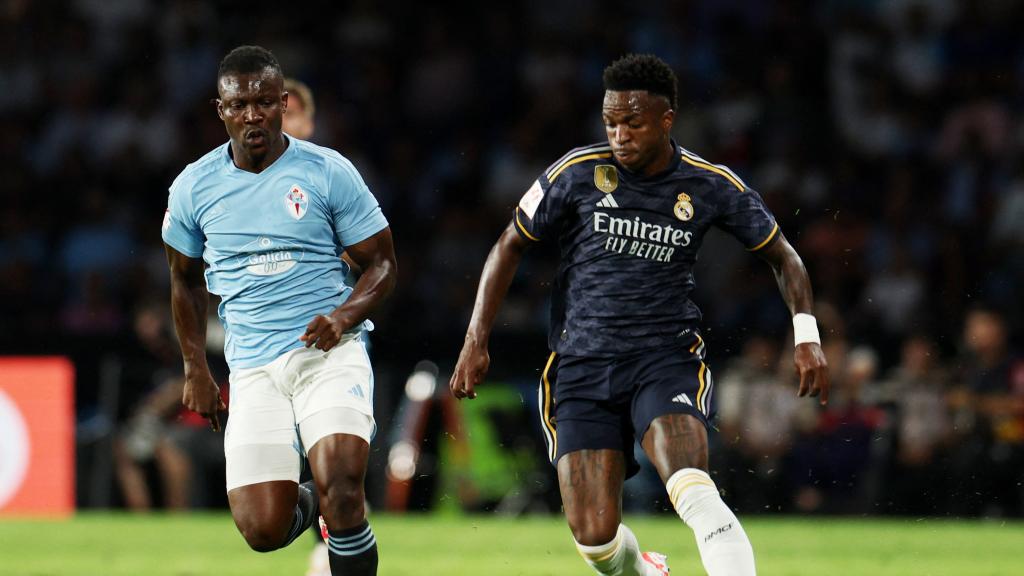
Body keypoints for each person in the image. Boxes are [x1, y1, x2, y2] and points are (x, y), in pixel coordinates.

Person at [450, 54, 829, 576]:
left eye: (633, 122)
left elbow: (783, 256)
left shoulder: (710, 183)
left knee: (690, 486)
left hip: (663, 358)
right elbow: (508, 245)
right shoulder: (577, 172)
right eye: (610, 122)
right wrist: (476, 339)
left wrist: (806, 335)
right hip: (581, 364)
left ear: (666, 120)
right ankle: (647, 569)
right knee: (595, 540)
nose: (619, 134)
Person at [162, 46, 396, 575]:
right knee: (263, 531)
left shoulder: (327, 171)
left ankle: (338, 508)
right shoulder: (194, 187)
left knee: (343, 485)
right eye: (240, 105)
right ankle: (316, 503)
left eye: (265, 103)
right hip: (252, 370)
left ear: (283, 104)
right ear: (219, 109)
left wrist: (343, 316)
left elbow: (382, 264)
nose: (253, 116)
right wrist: (195, 367)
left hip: (328, 356)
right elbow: (183, 278)